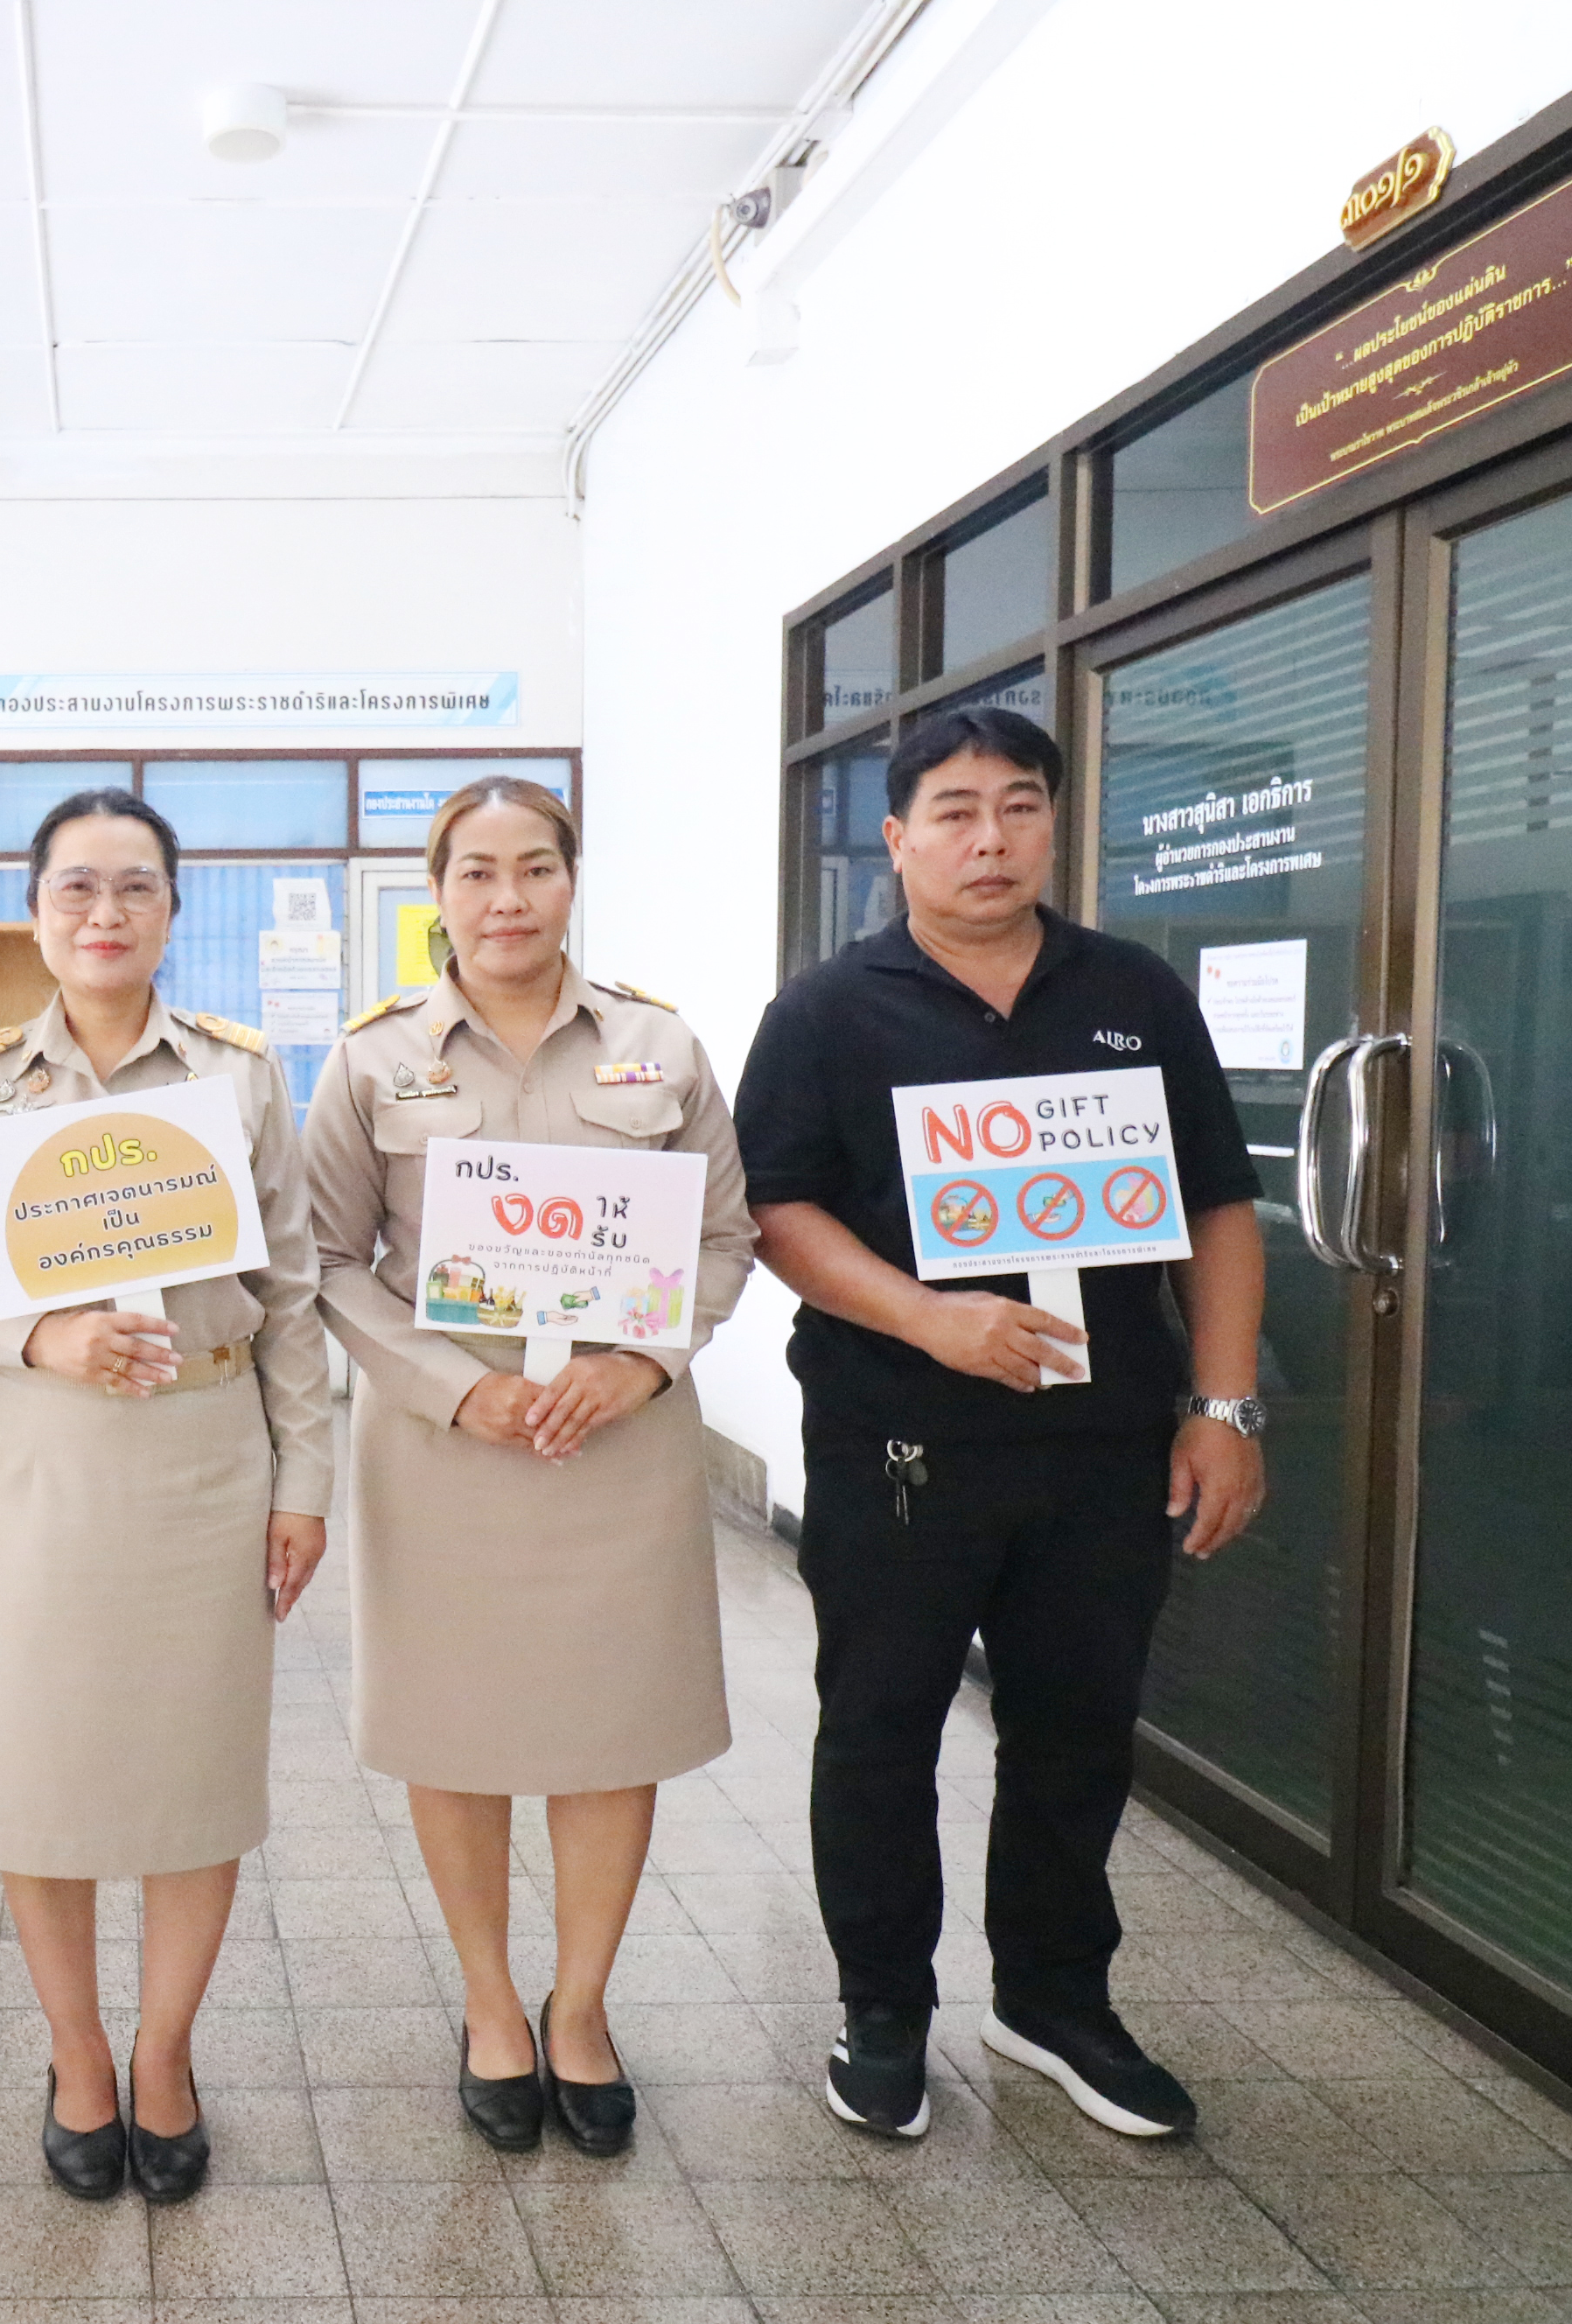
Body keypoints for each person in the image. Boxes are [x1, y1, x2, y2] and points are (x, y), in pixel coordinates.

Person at [730, 706, 1267, 2144]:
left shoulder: (1134, 994)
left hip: (1107, 1444)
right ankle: (884, 2008)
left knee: (1078, 1730)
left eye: (1017, 807)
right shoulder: (830, 1011)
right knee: (880, 1732)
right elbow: (776, 1211)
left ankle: (1052, 1998)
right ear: (897, 839)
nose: (988, 837)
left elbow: (1217, 1203)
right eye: (953, 812)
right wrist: (931, 1318)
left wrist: (1221, 1404)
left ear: (1051, 826)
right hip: (900, 1446)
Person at [0, 788, 332, 2205]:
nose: (105, 914)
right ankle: (77, 2053)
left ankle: (165, 2054)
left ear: (174, 912)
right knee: (44, 1772)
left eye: (135, 888)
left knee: (194, 1778)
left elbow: (295, 1293)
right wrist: (35, 1335)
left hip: (204, 1456)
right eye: (76, 888)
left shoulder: (240, 1077)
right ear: (36, 912)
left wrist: (304, 1480)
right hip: (41, 1461)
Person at [300, 775, 756, 2158]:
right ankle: (494, 2006)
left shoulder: (660, 1047)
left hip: (619, 1440)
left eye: (535, 869)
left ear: (572, 880)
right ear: (437, 892)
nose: (508, 898)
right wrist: (457, 1391)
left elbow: (726, 1236)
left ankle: (583, 2008)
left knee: (613, 1729)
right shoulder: (374, 1059)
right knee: (460, 1728)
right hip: (449, 1451)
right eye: (478, 873)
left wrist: (646, 1365)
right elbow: (321, 1260)